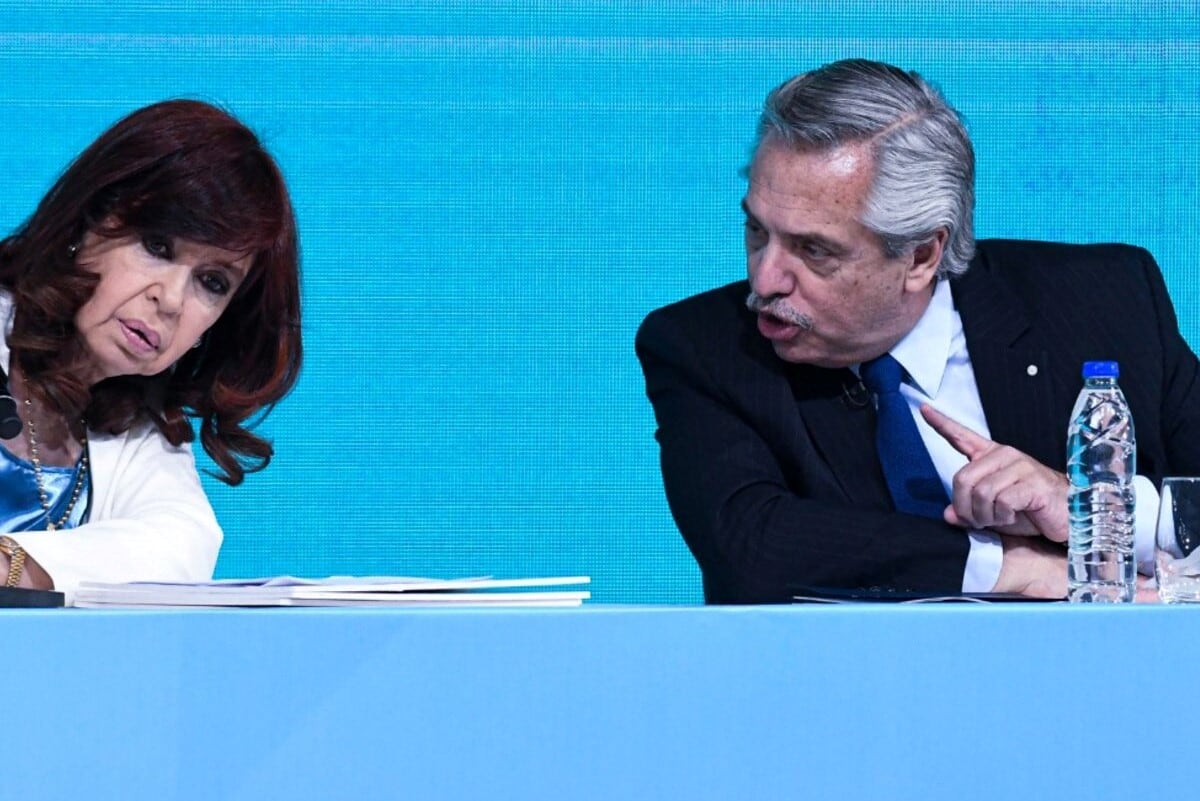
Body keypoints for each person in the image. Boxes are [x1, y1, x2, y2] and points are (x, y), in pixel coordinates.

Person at [635, 58, 1200, 603]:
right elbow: (753, 548)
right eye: (757, 231)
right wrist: (1012, 567)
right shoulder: (706, 346)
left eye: (813, 250)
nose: (765, 277)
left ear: (922, 256)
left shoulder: (1105, 300)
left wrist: (1097, 508)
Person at [0, 100, 301, 604]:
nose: (172, 300)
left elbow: (181, 548)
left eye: (212, 282)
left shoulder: (141, 430)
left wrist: (13, 567)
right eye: (157, 247)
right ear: (87, 223)